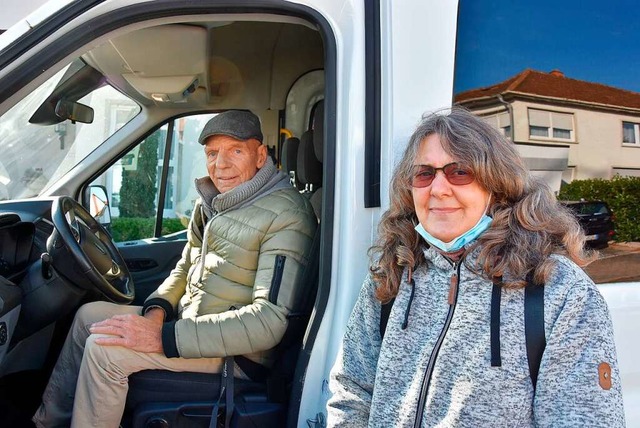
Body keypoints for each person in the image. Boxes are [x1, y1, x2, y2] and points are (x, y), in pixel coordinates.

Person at [326, 106, 625, 427]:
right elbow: (353, 391)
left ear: (496, 185)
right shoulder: (393, 274)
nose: (438, 189)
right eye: (424, 174)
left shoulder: (557, 288)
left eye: (460, 172)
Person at [33, 110, 317, 428]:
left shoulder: (287, 214)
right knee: (89, 317)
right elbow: (185, 267)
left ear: (260, 155)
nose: (220, 165)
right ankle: (47, 422)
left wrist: (164, 337)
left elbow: (268, 323)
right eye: (213, 153)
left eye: (235, 151)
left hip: (240, 355)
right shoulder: (215, 202)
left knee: (105, 350)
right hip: (190, 325)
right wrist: (157, 311)